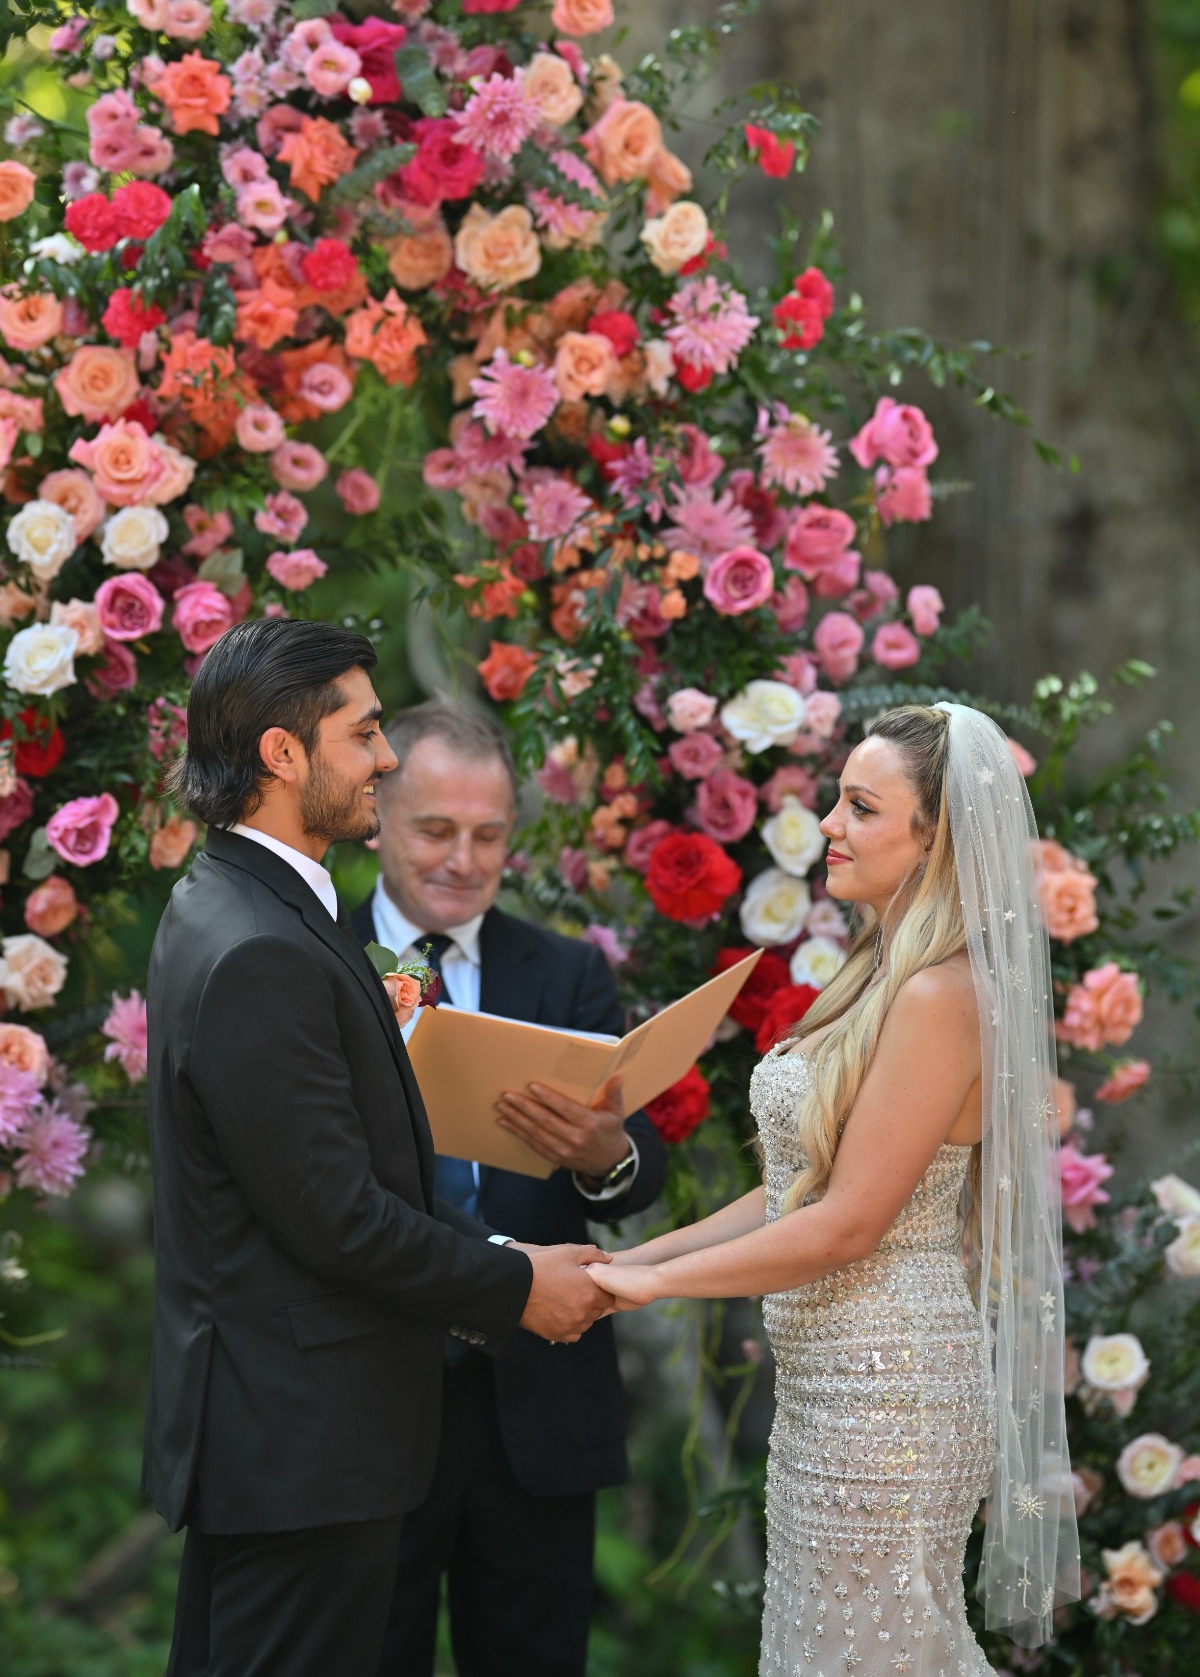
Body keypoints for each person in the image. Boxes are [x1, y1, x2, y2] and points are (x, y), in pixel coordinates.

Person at [143, 621, 611, 1677]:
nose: (386, 759)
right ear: (282, 753)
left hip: (285, 1438)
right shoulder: (262, 945)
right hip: (303, 1449)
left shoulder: (229, 905)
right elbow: (339, 1218)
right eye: (362, 736)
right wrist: (513, 1282)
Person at [588, 703, 1081, 1673]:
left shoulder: (941, 994)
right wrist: (626, 1260)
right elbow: (793, 1191)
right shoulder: (873, 972)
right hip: (829, 1394)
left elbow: (849, 1225)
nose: (828, 826)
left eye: (860, 807)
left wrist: (653, 1289)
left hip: (889, 1397)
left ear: (934, 837)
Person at [354, 700, 667, 1677]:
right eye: (436, 830)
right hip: (368, 1394)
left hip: (536, 1399)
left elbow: (633, 1175)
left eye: (489, 835)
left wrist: (600, 1152)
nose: (464, 859)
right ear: (377, 818)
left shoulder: (566, 971)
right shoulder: (308, 958)